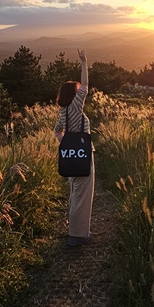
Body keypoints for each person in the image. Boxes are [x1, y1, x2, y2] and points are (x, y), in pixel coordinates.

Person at [54, 48, 94, 247]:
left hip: (71, 156)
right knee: (82, 195)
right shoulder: (76, 105)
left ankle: (77, 230)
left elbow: (57, 131)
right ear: (74, 93)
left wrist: (66, 143)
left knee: (75, 192)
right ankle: (78, 235)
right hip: (83, 155)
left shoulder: (63, 111)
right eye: (77, 89)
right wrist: (84, 62)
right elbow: (86, 84)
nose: (80, 90)